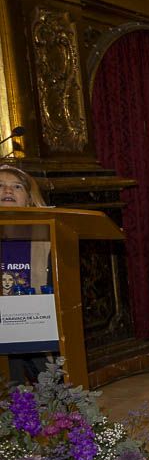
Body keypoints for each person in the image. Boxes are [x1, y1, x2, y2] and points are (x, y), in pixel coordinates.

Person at [1, 164, 53, 387]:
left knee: (48, 384)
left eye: (16, 187)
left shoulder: (48, 234)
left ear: (30, 199)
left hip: (34, 321)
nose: (8, 191)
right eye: (0, 186)